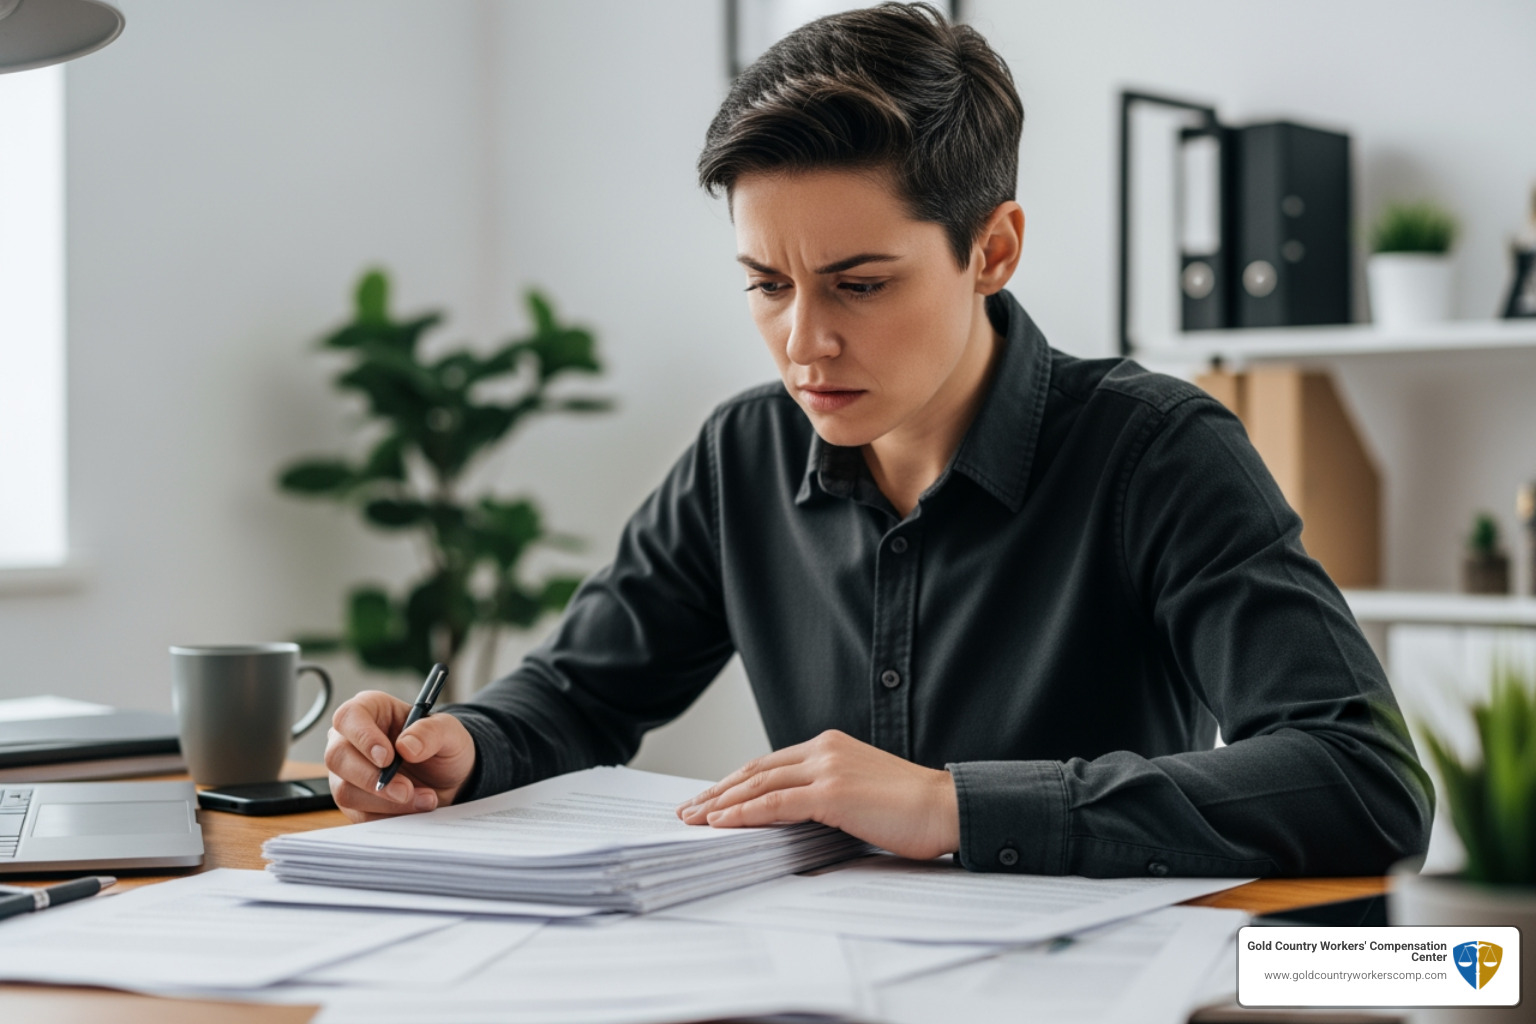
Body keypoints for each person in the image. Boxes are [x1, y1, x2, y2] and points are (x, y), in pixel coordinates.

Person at [324, 3, 1431, 876]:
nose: (804, 342)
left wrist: (951, 805)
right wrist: (462, 746)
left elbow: (1364, 778)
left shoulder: (1158, 451)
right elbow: (580, 694)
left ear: (993, 250)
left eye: (859, 284)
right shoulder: (742, 455)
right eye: (767, 284)